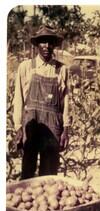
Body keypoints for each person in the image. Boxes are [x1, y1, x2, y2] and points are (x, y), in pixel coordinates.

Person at [13, 25, 70, 179]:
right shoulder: (26, 67)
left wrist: (66, 128)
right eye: (43, 42)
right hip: (32, 122)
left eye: (50, 42)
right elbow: (18, 98)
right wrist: (18, 126)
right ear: (37, 44)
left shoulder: (61, 69)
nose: (47, 46)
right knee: (28, 168)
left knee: (50, 172)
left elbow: (66, 100)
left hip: (53, 124)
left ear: (54, 45)